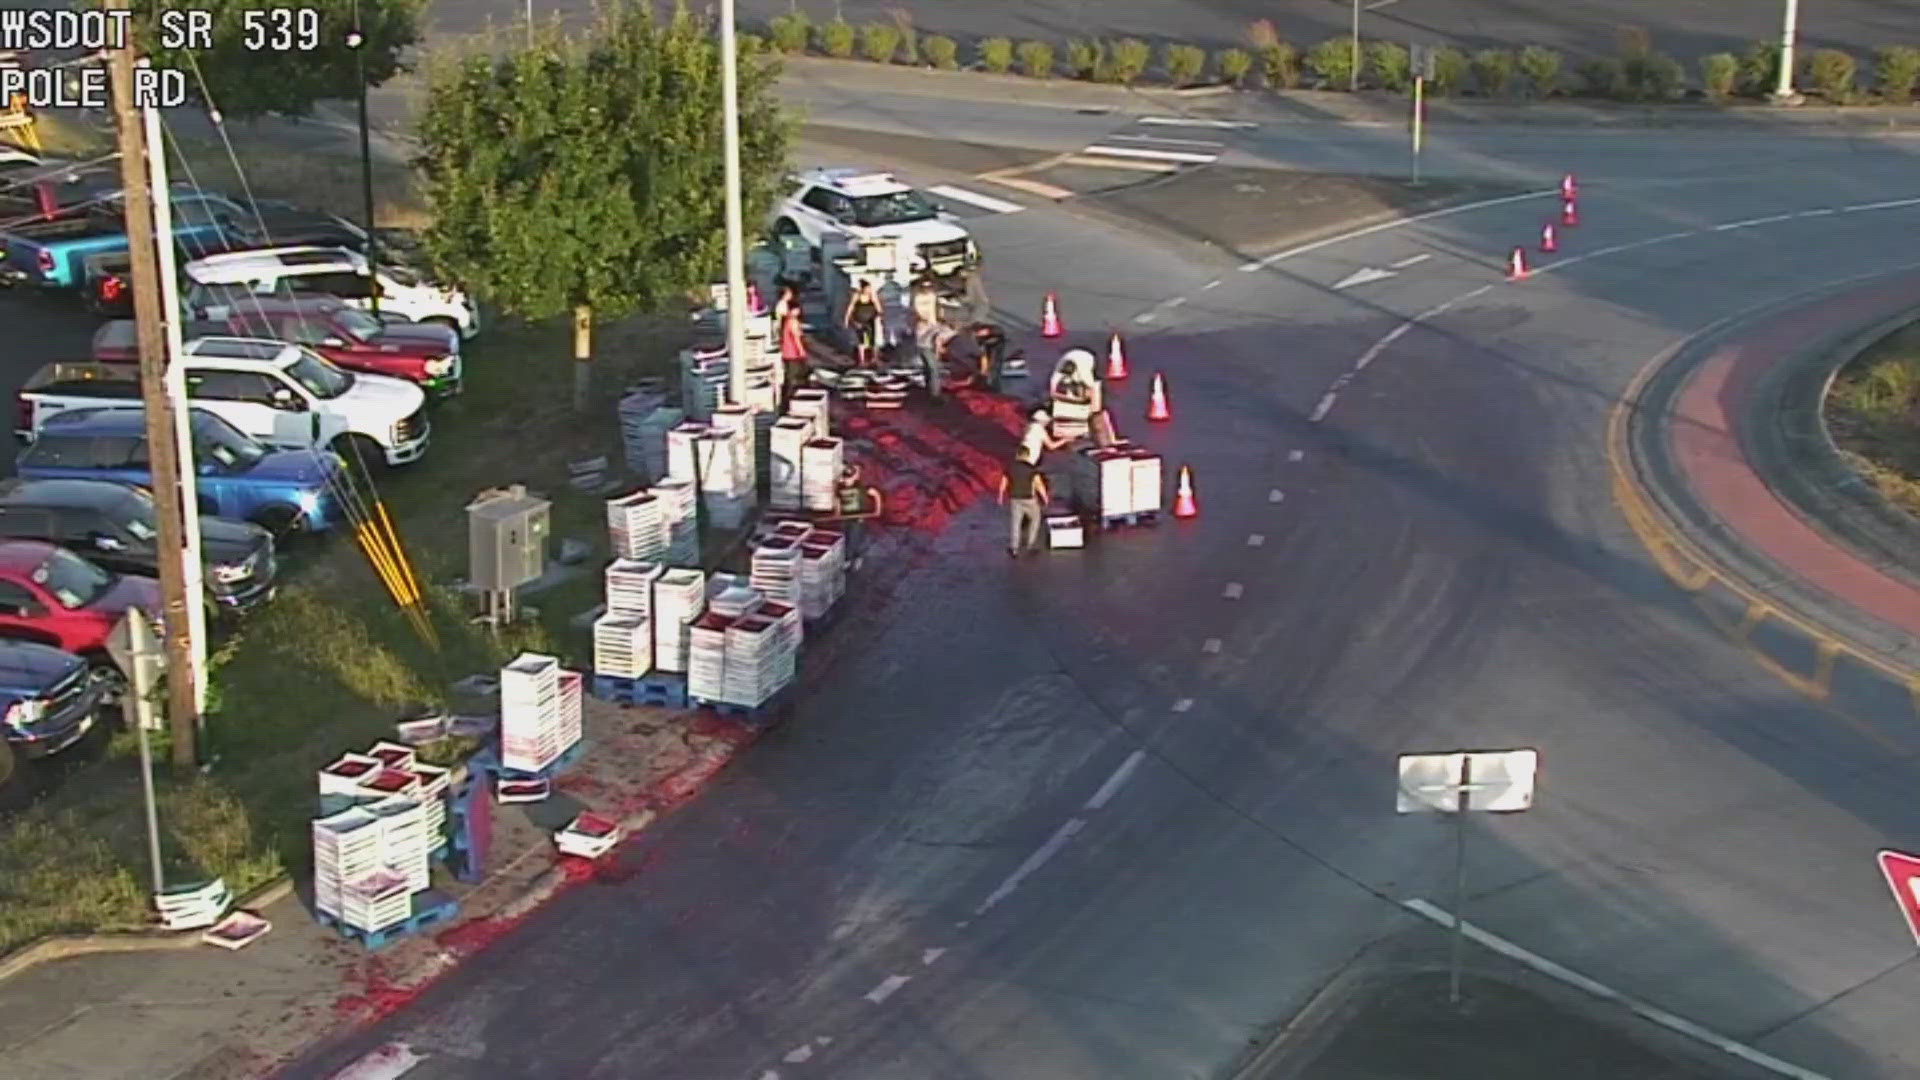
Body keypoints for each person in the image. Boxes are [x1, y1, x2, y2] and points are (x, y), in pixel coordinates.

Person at [997, 445, 1050, 557]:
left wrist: (1000, 496)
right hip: (1029, 498)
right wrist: (1045, 498)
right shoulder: (1031, 469)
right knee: (1035, 518)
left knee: (1015, 522)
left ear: (1017, 455)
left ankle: (1014, 548)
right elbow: (1038, 484)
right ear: (1027, 455)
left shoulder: (1010, 468)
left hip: (1015, 498)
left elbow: (1004, 483)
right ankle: (1030, 545)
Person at [844, 278, 882, 367]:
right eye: (868, 288)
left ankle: (875, 358)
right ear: (863, 288)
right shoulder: (857, 295)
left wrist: (879, 317)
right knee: (861, 341)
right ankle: (862, 360)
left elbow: (878, 307)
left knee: (872, 340)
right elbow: (850, 307)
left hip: (870, 320)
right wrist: (847, 319)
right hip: (859, 321)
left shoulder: (872, 295)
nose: (869, 290)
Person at [778, 285, 808, 391]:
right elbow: (796, 338)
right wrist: (801, 351)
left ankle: (788, 393)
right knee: (794, 376)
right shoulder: (792, 322)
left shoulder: (787, 321)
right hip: (793, 353)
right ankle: (792, 394)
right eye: (796, 310)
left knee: (789, 376)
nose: (798, 312)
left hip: (787, 352)